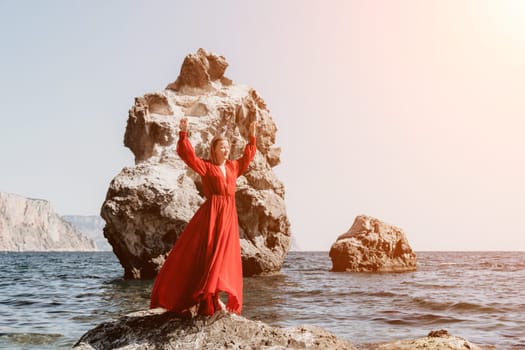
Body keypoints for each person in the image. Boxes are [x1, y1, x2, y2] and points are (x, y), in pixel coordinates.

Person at [150, 116, 258, 317]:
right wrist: (183, 133)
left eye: (227, 147)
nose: (226, 150)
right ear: (214, 150)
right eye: (222, 147)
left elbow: (248, 157)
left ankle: (216, 296)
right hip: (212, 214)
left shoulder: (234, 167)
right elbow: (188, 156)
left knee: (224, 257)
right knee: (210, 254)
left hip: (228, 215)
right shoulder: (207, 167)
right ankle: (208, 298)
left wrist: (252, 136)